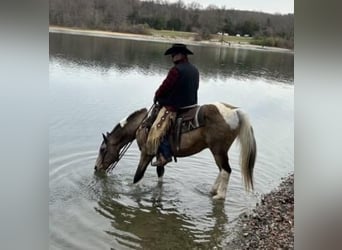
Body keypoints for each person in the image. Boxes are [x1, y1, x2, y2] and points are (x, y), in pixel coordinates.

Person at [146, 43, 199, 167]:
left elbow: (165, 86)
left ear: (180, 55)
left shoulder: (176, 70)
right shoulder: (194, 69)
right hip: (192, 105)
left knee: (157, 127)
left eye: (174, 54)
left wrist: (157, 95)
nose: (172, 57)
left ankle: (165, 155)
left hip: (176, 106)